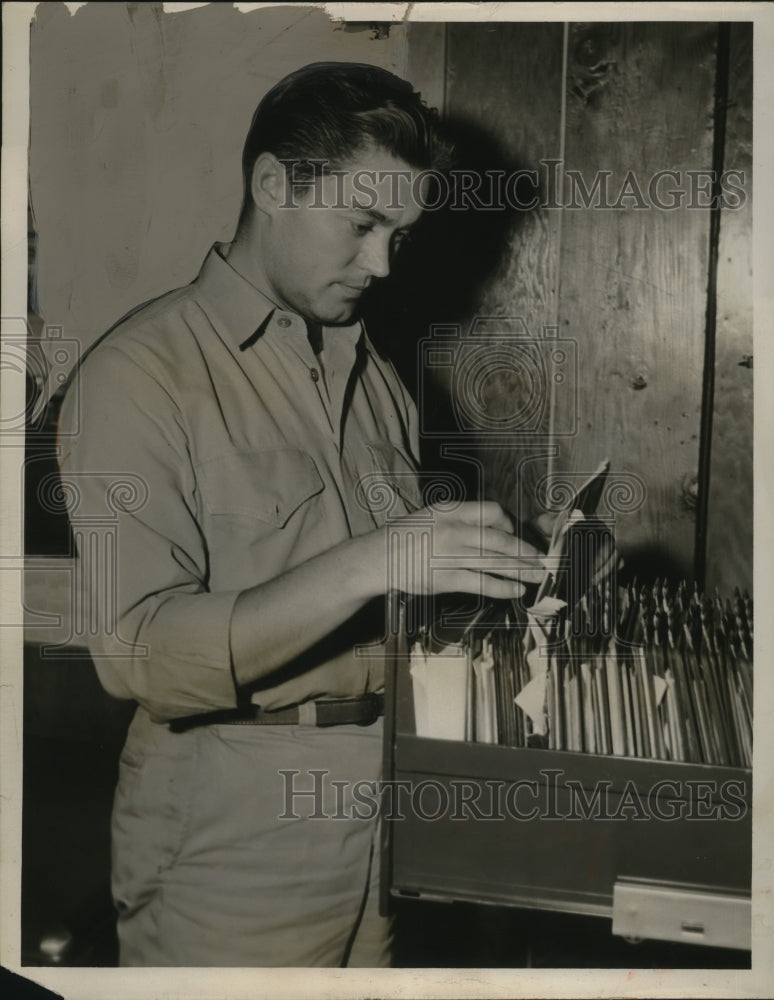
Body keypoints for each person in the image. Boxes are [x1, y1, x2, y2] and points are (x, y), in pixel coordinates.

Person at [57, 62, 545, 967]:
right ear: (273, 184)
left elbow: (392, 598)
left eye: (399, 234)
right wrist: (375, 561)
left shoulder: (378, 377)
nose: (381, 264)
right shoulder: (139, 375)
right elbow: (137, 655)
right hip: (232, 835)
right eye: (360, 226)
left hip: (386, 814)